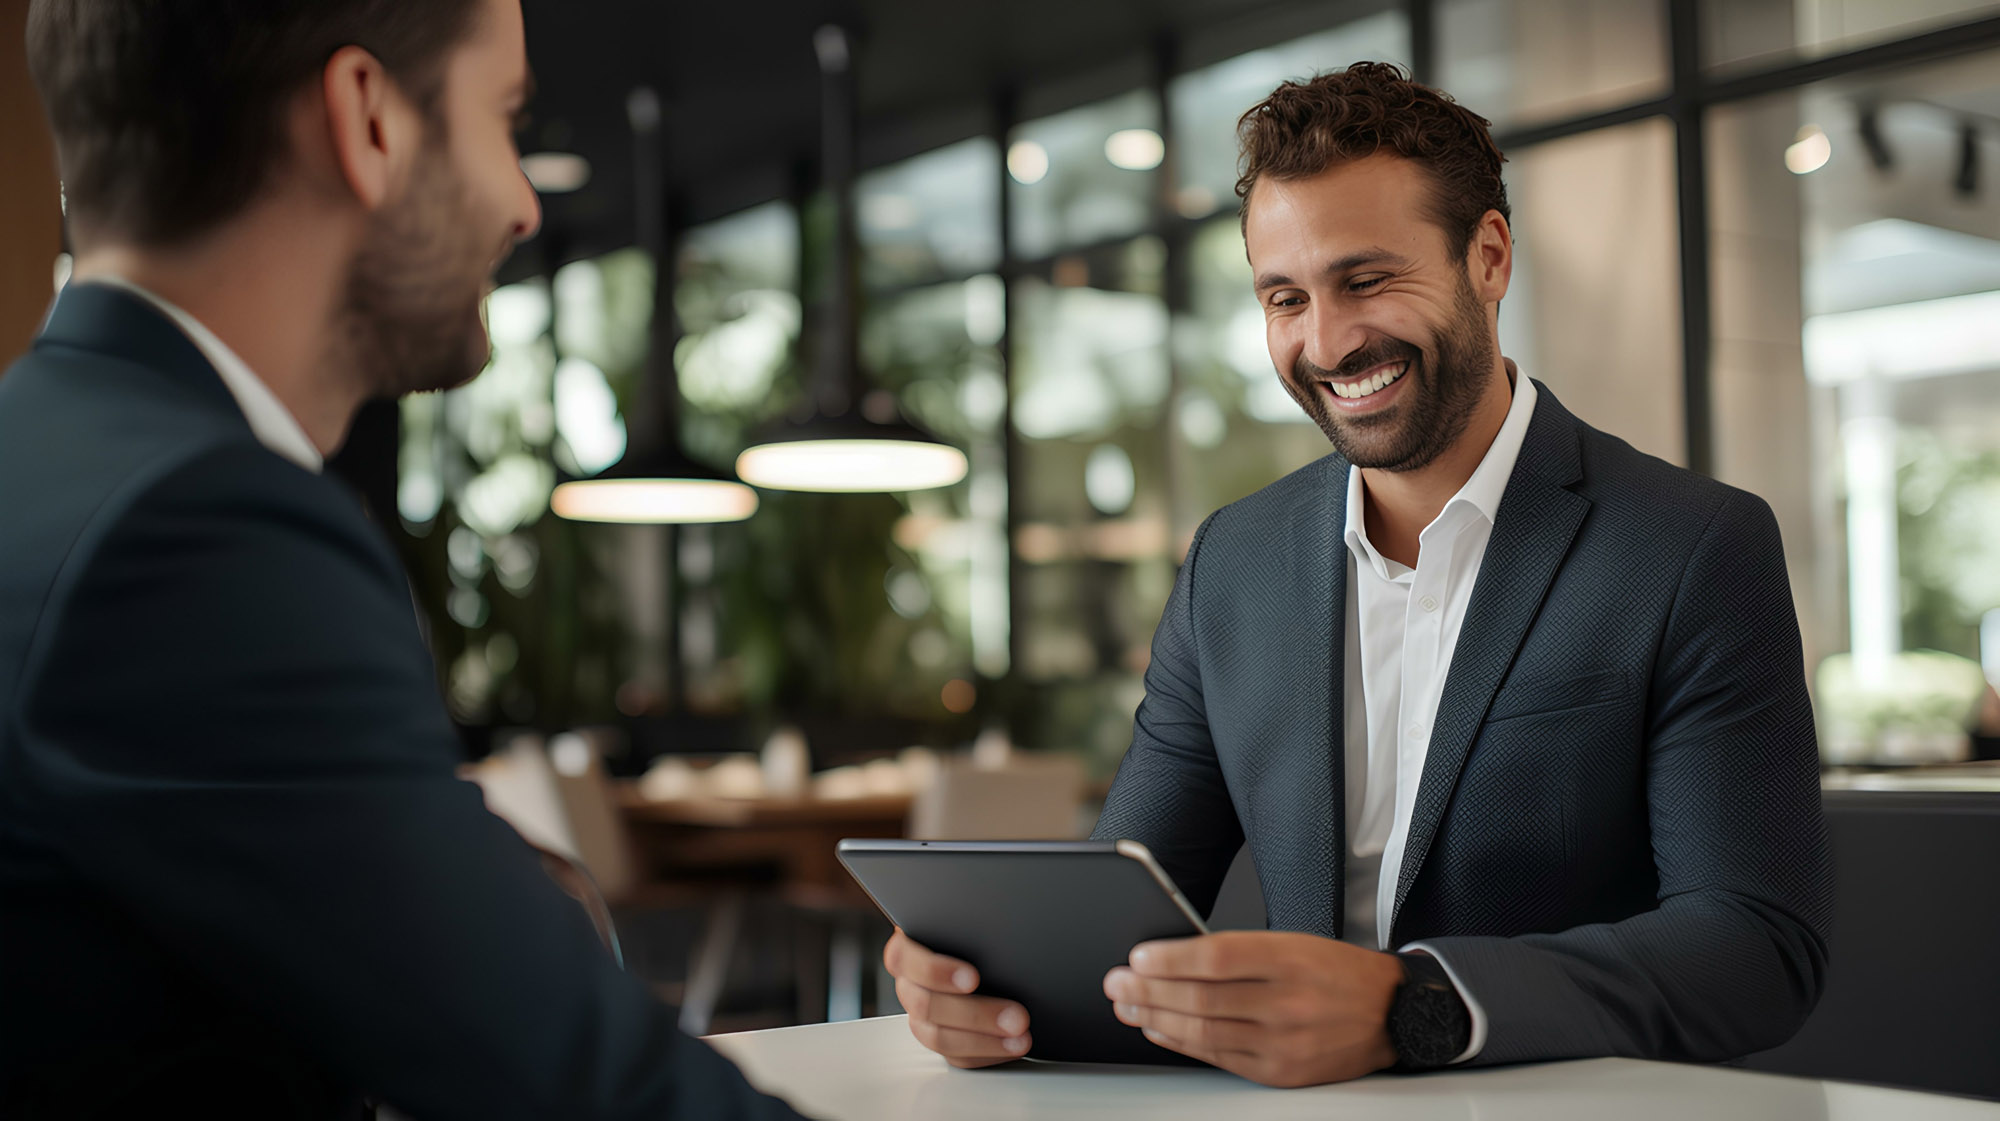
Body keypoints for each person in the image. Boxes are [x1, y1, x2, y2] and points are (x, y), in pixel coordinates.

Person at [884, 62, 1833, 1087]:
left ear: (1488, 256)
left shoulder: (1690, 546)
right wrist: (995, 981)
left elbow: (1752, 949)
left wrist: (1412, 1007)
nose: (1327, 341)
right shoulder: (1230, 563)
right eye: (1284, 297)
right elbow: (1128, 903)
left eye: (1366, 279)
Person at [0, 2, 808, 1117]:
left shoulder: (47, 460)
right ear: (367, 119)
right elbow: (582, 1089)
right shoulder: (195, 532)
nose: (524, 203)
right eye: (502, 120)